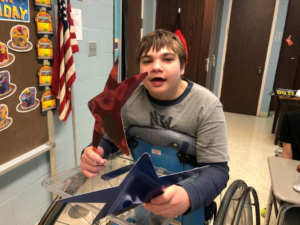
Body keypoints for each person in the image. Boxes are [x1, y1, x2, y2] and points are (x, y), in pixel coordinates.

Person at [81, 29, 230, 219]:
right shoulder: (128, 100)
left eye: (167, 59)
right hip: (145, 192)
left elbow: (218, 169)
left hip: (189, 195)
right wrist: (95, 152)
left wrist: (188, 195)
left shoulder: (207, 106)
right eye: (147, 61)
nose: (156, 67)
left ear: (183, 67)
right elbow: (111, 139)